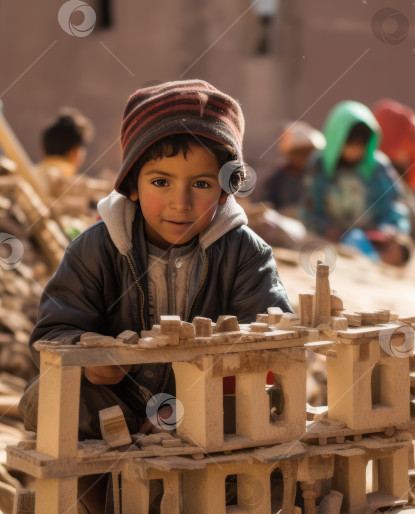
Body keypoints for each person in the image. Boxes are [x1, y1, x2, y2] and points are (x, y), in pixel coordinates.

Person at [19, 80, 292, 439]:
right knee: (45, 398)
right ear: (132, 184)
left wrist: (187, 405)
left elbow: (274, 345)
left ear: (226, 192)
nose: (180, 203)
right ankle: (107, 489)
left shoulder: (245, 253)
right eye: (161, 182)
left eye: (201, 185)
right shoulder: (97, 249)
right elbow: (52, 334)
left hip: (208, 404)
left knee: (259, 406)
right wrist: (90, 361)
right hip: (121, 405)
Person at [300, 100, 412, 266]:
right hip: (329, 240)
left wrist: (389, 229)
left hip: (375, 241)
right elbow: (308, 210)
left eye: (361, 145)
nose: (356, 151)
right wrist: (327, 229)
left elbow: (395, 204)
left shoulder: (378, 167)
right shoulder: (318, 166)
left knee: (400, 252)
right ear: (336, 138)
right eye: (350, 144)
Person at [372, 98, 415, 251]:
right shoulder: (382, 177)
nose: (414, 146)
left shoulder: (400, 179)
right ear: (394, 138)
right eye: (410, 137)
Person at [262, 121, 326, 215]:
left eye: (307, 154)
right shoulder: (278, 177)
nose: (304, 158)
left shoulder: (317, 173)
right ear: (290, 155)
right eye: (299, 154)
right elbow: (269, 204)